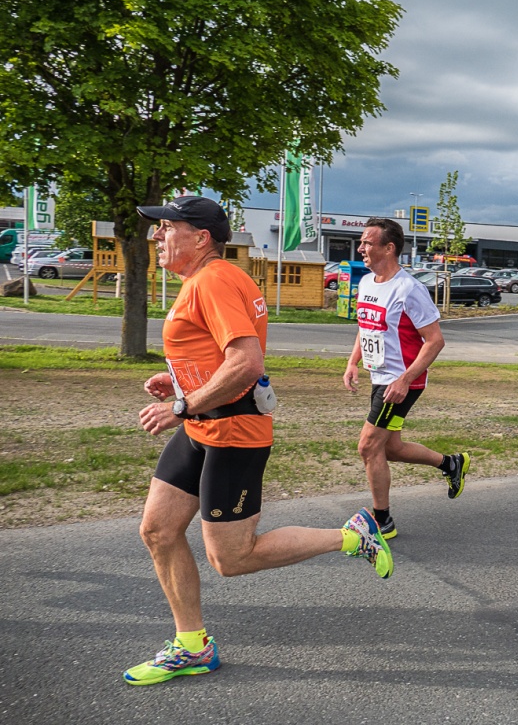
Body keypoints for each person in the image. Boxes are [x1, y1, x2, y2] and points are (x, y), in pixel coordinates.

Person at [127, 197, 392, 686]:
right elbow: (219, 358)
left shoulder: (214, 280)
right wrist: (183, 385)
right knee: (158, 531)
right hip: (201, 425)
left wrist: (182, 405)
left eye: (167, 228)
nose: (158, 237)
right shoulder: (206, 280)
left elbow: (246, 363)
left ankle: (353, 535)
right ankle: (192, 645)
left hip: (233, 433)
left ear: (200, 237)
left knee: (231, 557)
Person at [343, 218, 470, 539]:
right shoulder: (368, 283)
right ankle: (450, 464)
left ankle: (382, 520)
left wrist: (404, 379)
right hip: (380, 377)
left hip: (400, 383)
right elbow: (366, 326)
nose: (362, 248)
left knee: (369, 446)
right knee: (391, 448)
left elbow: (435, 340)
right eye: (362, 242)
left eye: (368, 243)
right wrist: (353, 361)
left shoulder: (409, 289)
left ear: (389, 247)